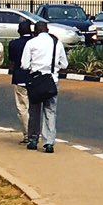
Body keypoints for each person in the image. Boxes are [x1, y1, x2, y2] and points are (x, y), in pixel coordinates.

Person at [20, 18, 69, 151]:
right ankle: (49, 142)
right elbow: (65, 64)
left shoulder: (31, 43)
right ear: (47, 30)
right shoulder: (56, 43)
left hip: (36, 80)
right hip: (51, 80)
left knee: (34, 111)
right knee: (50, 111)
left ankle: (33, 139)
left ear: (35, 31)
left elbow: (24, 65)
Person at [7, 19, 35, 141]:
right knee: (35, 108)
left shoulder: (14, 44)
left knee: (23, 107)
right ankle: (35, 133)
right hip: (35, 78)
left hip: (20, 78)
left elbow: (12, 60)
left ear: (19, 31)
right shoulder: (36, 43)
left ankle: (27, 134)